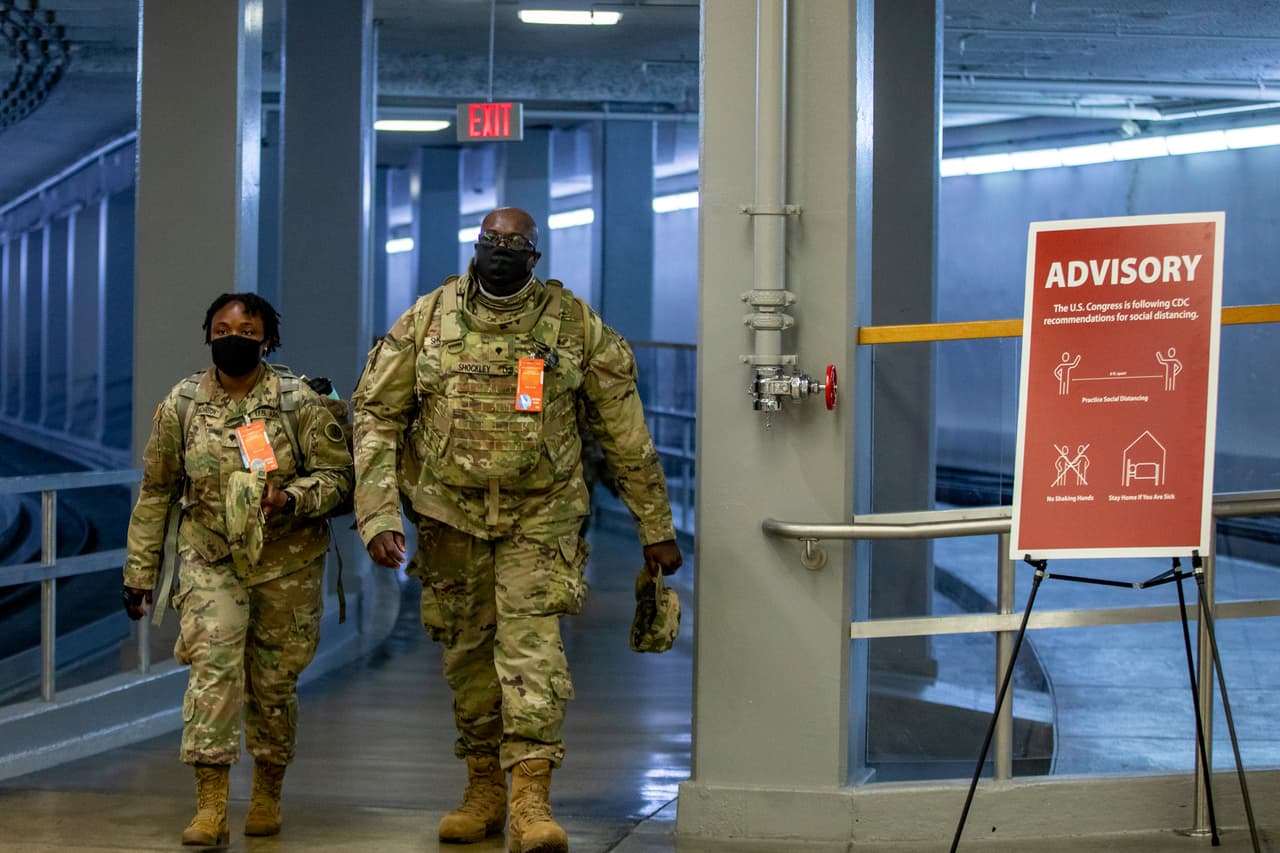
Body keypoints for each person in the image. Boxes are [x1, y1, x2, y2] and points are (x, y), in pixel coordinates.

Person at [353, 206, 682, 853]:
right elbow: (376, 414)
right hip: (450, 516)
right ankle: (482, 790)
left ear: (535, 256)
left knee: (533, 653)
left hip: (542, 513)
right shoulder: (427, 320)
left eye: (515, 243)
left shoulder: (573, 326)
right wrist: (378, 512)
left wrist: (655, 523)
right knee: (469, 658)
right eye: (490, 241)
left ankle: (532, 800)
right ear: (474, 247)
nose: (500, 251)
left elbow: (625, 432)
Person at [121, 293, 354, 846]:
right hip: (210, 558)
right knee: (213, 672)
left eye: (247, 330)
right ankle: (210, 806)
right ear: (208, 336)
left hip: (286, 565)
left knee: (273, 686)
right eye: (223, 328)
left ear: (267, 340)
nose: (234, 337)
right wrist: (139, 573)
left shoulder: (299, 402)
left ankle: (269, 790)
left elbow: (340, 479)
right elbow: (156, 492)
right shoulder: (182, 404)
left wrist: (291, 500)